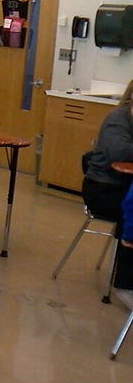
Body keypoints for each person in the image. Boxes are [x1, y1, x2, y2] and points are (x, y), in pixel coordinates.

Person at [82, 78, 133, 307]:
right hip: (102, 189)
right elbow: (119, 151)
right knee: (130, 211)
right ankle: (124, 283)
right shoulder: (118, 119)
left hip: (122, 186)